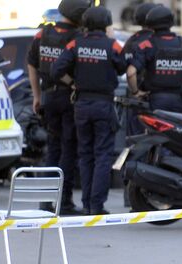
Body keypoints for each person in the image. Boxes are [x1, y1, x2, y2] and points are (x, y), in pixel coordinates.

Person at [52, 6, 127, 215]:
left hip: (82, 106)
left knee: (85, 155)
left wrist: (73, 82)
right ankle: (97, 205)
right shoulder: (112, 45)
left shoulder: (75, 43)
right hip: (103, 105)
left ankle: (86, 203)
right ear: (106, 24)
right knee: (103, 155)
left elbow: (56, 70)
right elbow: (122, 67)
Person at [27, 0, 90, 215]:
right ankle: (64, 202)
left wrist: (37, 96)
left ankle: (46, 202)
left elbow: (32, 64)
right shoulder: (79, 38)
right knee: (68, 149)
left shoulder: (42, 34)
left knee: (52, 149)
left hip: (48, 97)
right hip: (69, 98)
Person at [127, 5, 182, 114]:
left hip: (154, 103)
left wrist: (135, 92)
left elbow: (131, 73)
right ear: (171, 23)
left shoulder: (147, 45)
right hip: (179, 103)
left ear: (150, 25)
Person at [122, 2, 157, 136]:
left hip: (136, 99)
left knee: (136, 141)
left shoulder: (131, 41)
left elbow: (123, 68)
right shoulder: (156, 40)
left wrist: (135, 91)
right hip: (156, 97)